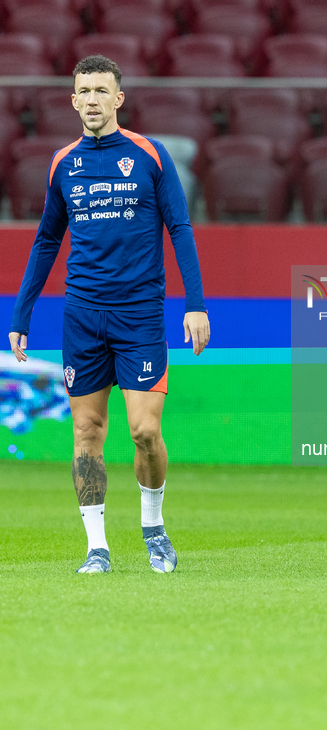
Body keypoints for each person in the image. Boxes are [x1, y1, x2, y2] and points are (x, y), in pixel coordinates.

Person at [9, 55, 210, 575]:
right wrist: (21, 314)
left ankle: (153, 527)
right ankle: (97, 546)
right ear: (73, 100)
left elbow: (181, 229)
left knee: (144, 431)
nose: (93, 99)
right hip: (82, 316)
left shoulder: (149, 155)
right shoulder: (62, 163)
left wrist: (195, 305)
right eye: (84, 91)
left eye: (102, 89)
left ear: (119, 99)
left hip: (140, 314)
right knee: (87, 432)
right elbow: (48, 238)